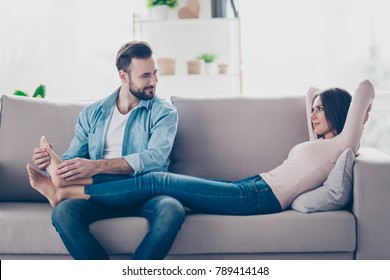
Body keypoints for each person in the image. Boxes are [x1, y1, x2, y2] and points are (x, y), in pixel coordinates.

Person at [28, 80, 375, 217]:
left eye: (320, 109)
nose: (312, 114)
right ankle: (67, 186)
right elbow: (311, 92)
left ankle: (68, 191)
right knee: (157, 181)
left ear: (343, 115)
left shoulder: (343, 145)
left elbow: (365, 88)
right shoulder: (320, 144)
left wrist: (355, 116)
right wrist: (317, 98)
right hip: (251, 184)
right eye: (312, 108)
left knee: (158, 180)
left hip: (259, 199)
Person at [30, 41, 185, 260]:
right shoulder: (93, 113)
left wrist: (97, 166)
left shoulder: (164, 113)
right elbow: (73, 159)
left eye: (155, 74)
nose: (153, 82)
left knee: (172, 209)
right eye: (145, 76)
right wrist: (50, 164)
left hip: (145, 193)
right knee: (63, 213)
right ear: (123, 76)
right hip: (99, 197)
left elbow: (156, 159)